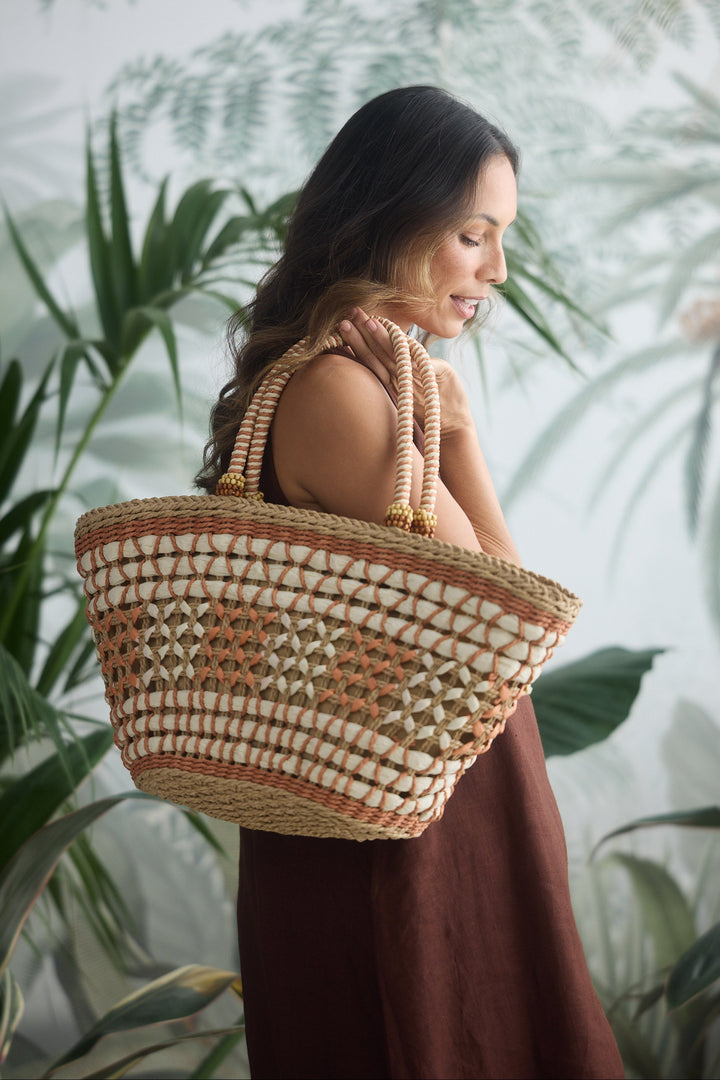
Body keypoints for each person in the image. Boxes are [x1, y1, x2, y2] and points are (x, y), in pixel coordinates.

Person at [197, 85, 624, 1080]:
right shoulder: (337, 389)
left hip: (407, 803)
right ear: (394, 221)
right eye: (475, 235)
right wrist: (465, 436)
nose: (498, 271)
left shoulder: (362, 377)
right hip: (400, 833)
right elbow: (503, 611)